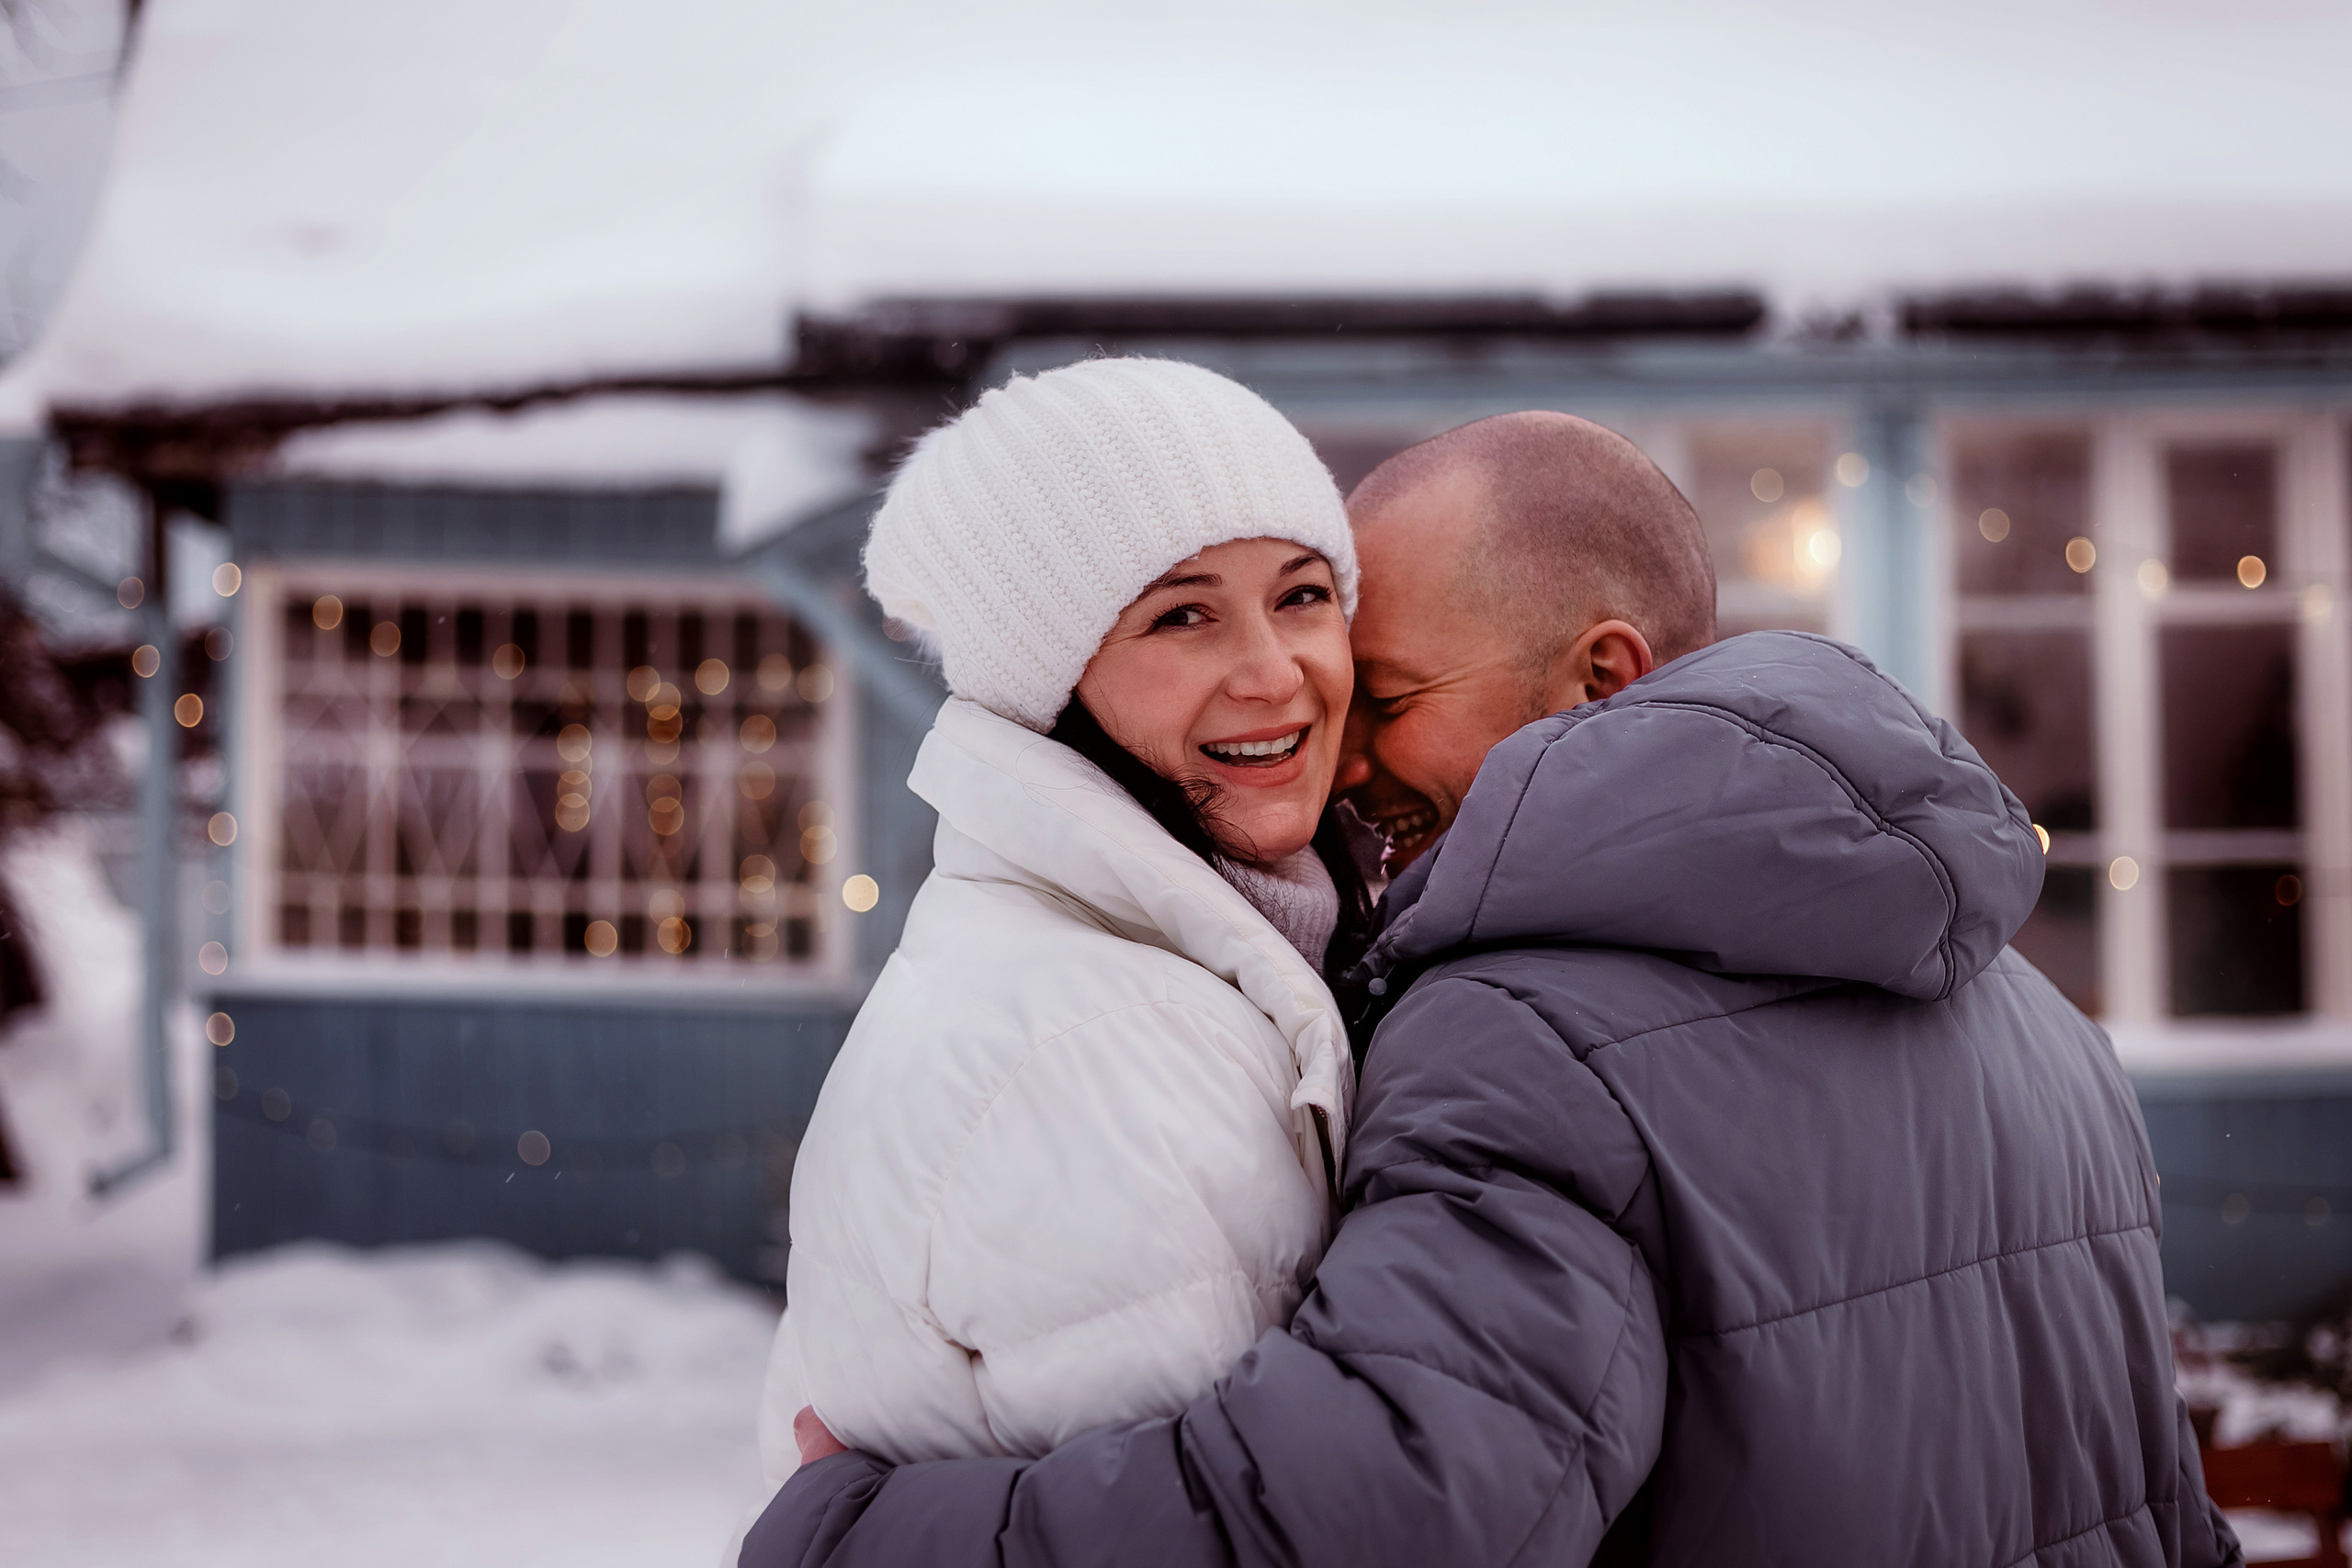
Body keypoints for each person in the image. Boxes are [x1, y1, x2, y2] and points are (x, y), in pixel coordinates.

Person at [741, 411, 2242, 1568]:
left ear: (1599, 674)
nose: (1351, 758)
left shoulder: (1532, 1033)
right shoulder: (2034, 1019)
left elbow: (1392, 1509)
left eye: (1388, 699)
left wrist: (865, 1535)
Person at [746, 356, 1379, 1523]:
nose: (1274, 670)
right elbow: (1236, 1539)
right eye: (1181, 614)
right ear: (1050, 687)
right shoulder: (1103, 1050)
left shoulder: (1198, 975)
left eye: (1300, 595)